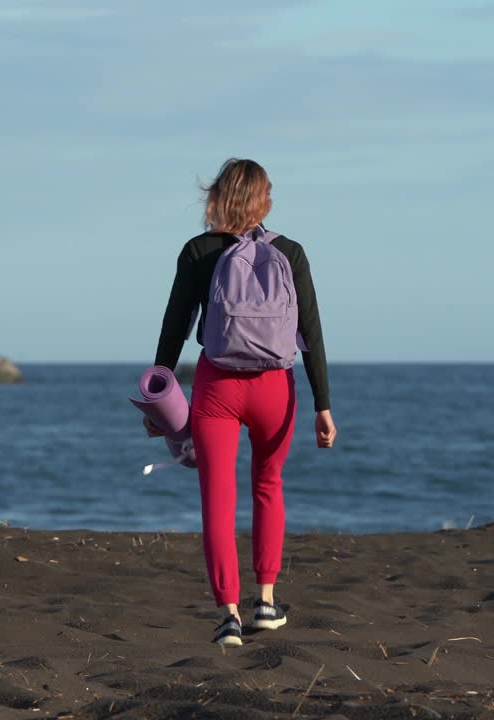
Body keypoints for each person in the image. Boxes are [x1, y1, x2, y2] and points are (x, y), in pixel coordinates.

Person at [147, 158, 336, 646]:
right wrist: (323, 405)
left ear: (217, 196)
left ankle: (229, 614)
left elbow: (176, 326)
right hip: (276, 386)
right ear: (264, 200)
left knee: (218, 497)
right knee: (268, 485)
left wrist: (159, 393)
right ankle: (267, 602)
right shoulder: (290, 252)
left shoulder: (198, 252)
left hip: (218, 386)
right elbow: (310, 333)